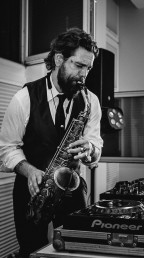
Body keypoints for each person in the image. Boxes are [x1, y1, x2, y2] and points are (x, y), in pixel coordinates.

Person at [0, 28, 103, 258]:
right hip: (32, 190)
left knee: (75, 249)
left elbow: (96, 144)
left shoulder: (90, 101)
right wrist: (29, 171)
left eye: (88, 68)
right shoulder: (24, 98)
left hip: (71, 189)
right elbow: (7, 148)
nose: (84, 75)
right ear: (59, 59)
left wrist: (91, 150)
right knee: (31, 250)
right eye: (78, 65)